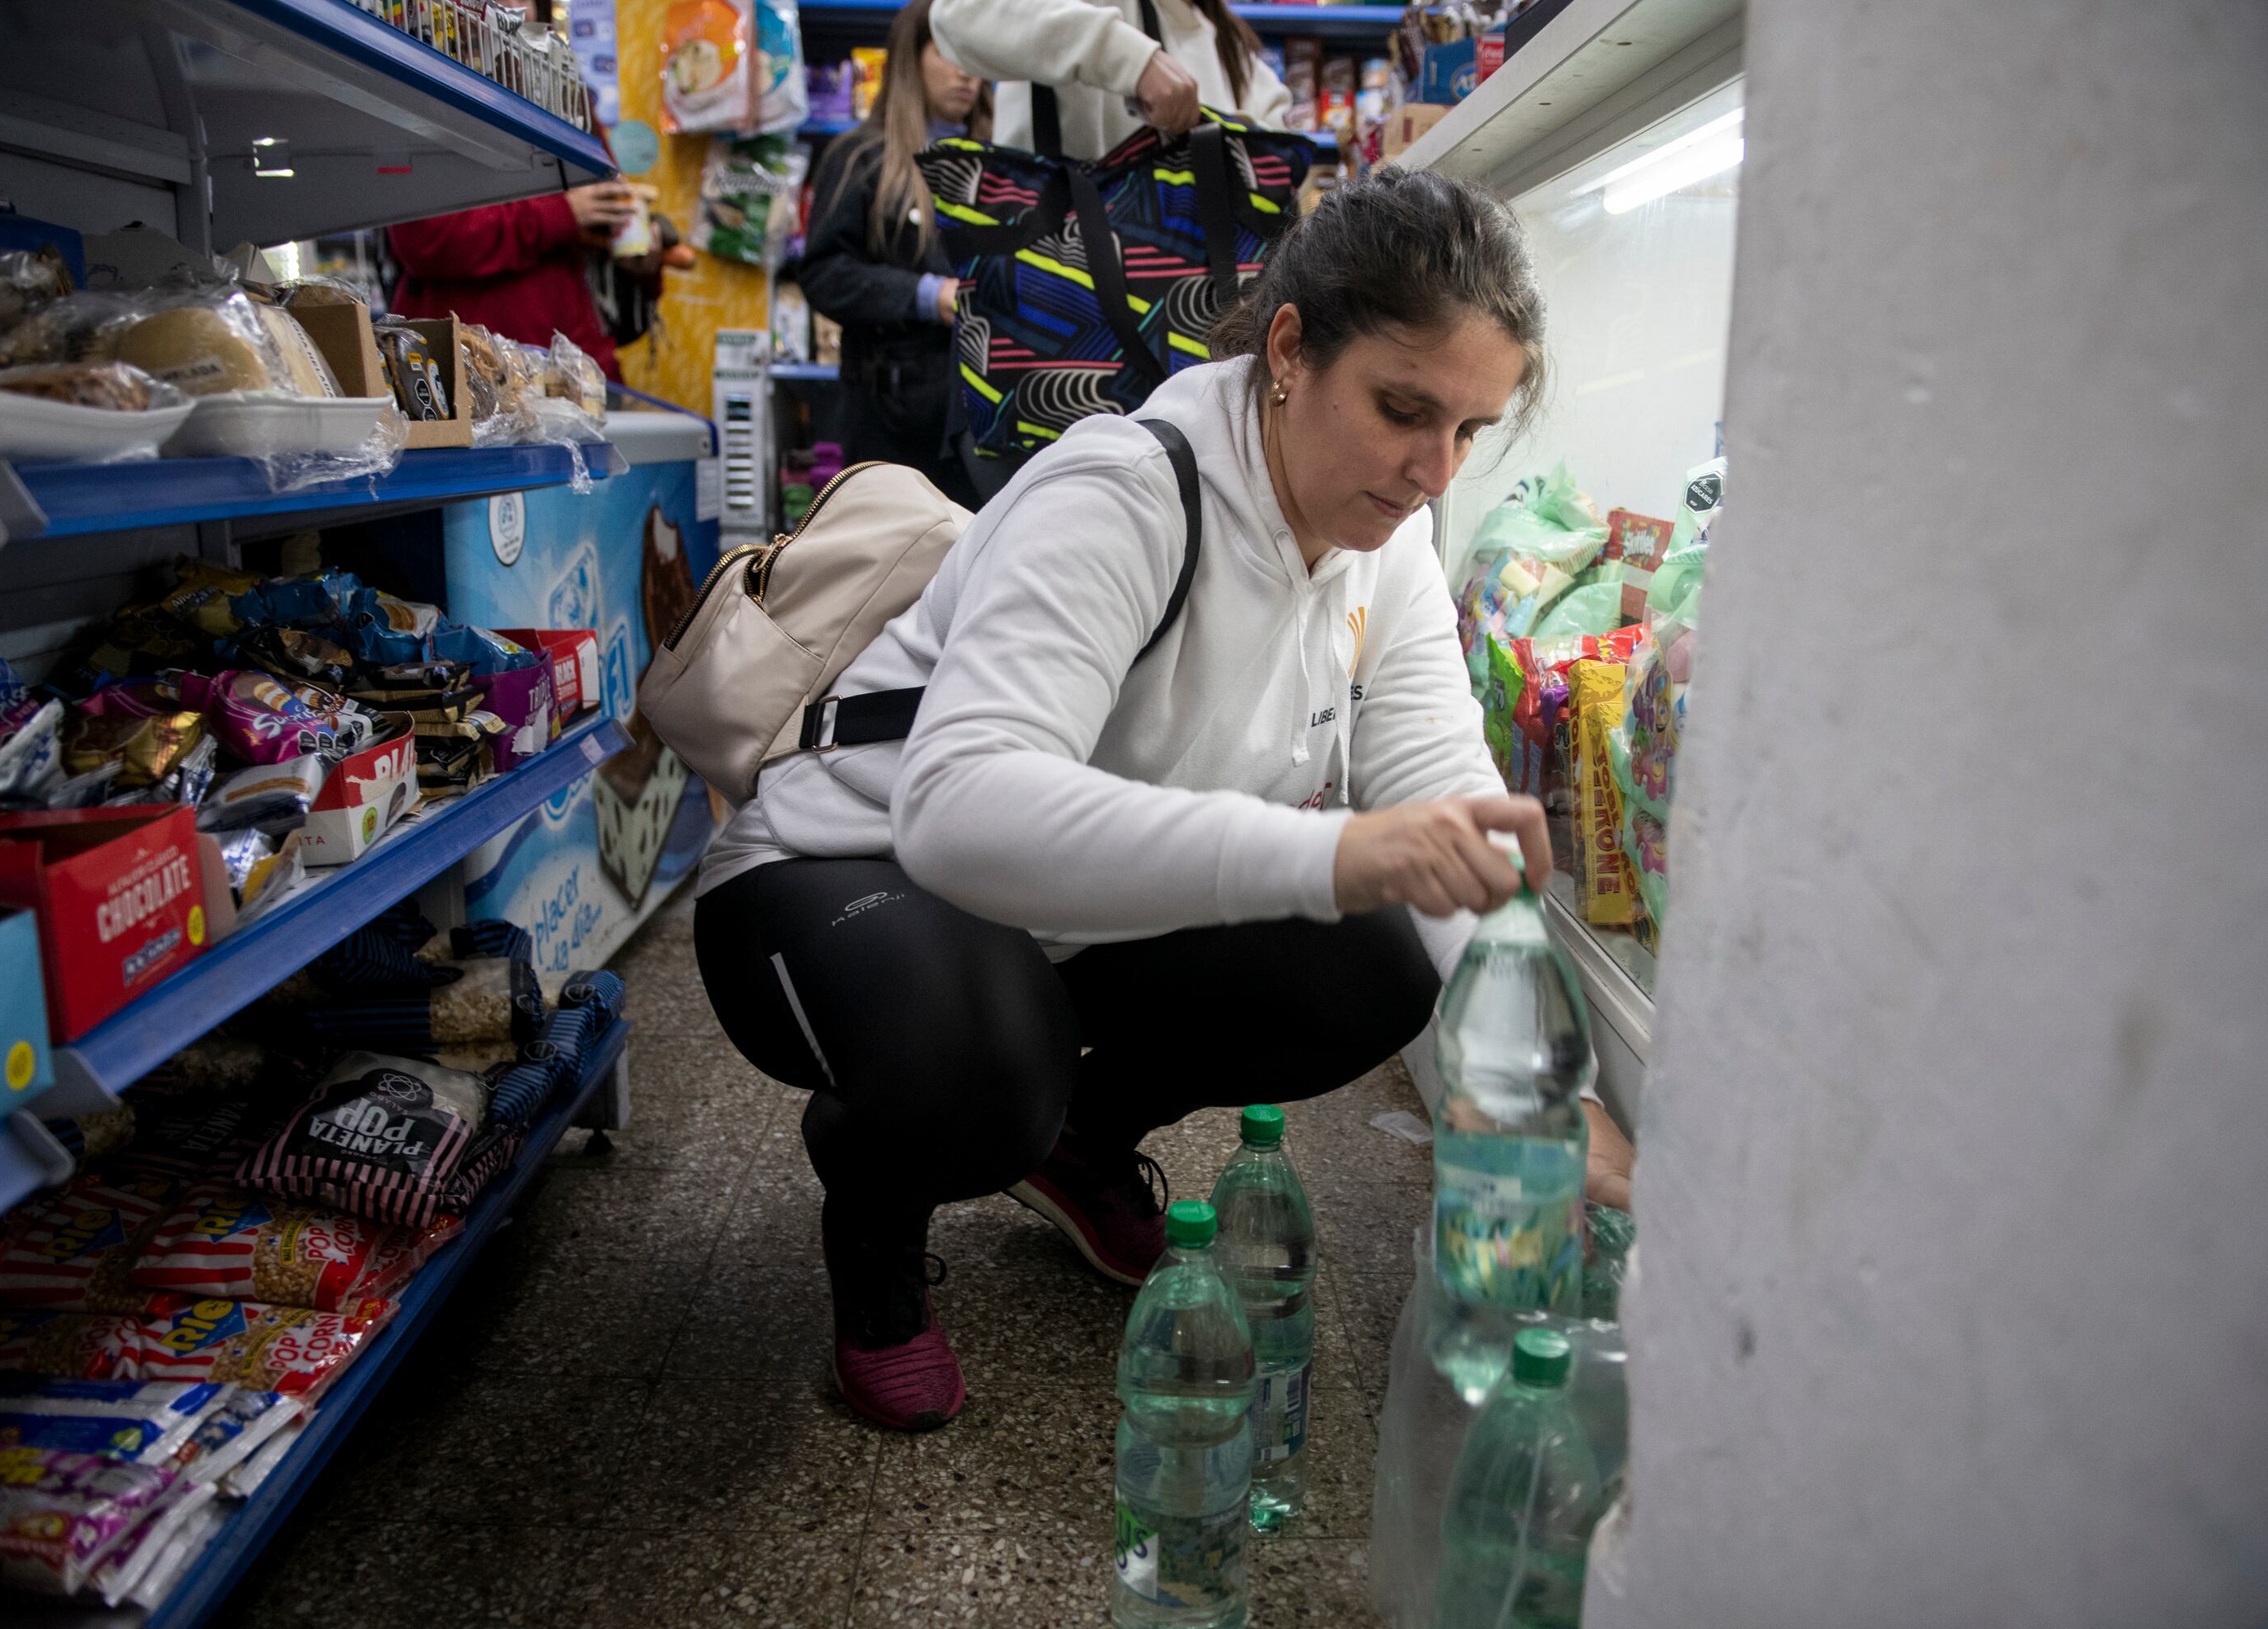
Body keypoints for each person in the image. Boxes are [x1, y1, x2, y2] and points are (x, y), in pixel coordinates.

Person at [690, 168, 1639, 1433]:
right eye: (1404, 409)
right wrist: (1330, 855)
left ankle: (1078, 1142)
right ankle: (879, 1225)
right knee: (978, 1059)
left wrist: (1543, 1091)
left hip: (1050, 905)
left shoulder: (1387, 535)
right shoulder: (1129, 490)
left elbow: (1440, 791)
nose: (1432, 470)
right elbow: (959, 812)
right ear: (1290, 352)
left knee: (1381, 966)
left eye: (1471, 430)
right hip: (838, 871)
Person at [795, 1, 990, 507]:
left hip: (982, 419)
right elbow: (823, 273)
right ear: (912, 56)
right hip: (890, 420)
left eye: (974, 55)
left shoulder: (1000, 165)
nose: (967, 72)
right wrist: (926, 295)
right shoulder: (862, 157)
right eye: (949, 53)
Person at [930, 0, 1290, 157]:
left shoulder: (1225, 37)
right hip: (1070, 273)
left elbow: (1278, 142)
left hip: (1190, 298)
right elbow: (959, 13)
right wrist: (1126, 58)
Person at [386, 181, 653, 381]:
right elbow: (425, 239)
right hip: (478, 379)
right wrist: (559, 213)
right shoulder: (444, 114)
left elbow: (608, 205)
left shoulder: (579, 115)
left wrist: (641, 262)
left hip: (581, 373)